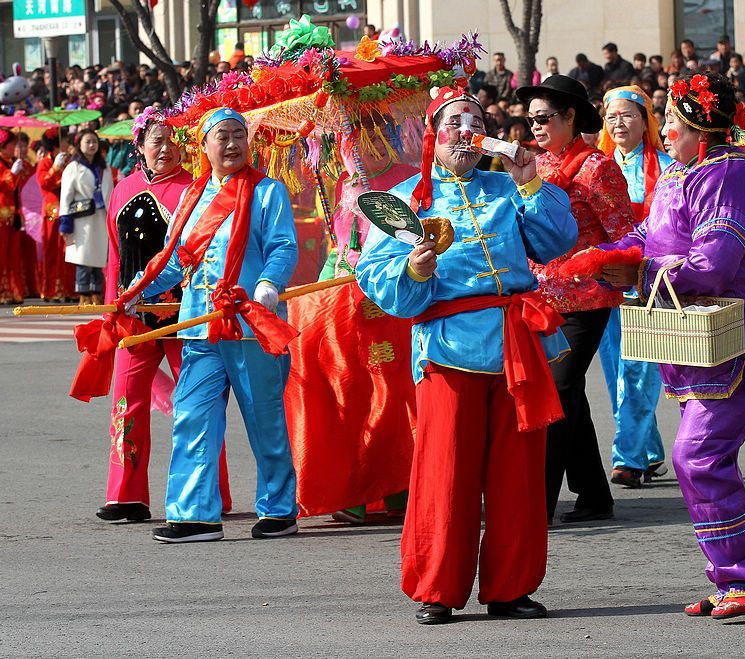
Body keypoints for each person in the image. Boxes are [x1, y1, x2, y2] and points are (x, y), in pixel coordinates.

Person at [356, 86, 577, 624]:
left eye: (475, 121)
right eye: (454, 121)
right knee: (444, 473)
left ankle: (510, 587)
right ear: (433, 133)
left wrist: (531, 182)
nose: (465, 130)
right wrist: (414, 271)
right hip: (448, 348)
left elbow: (555, 242)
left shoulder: (508, 187)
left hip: (517, 346)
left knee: (519, 474)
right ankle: (437, 587)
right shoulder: (409, 200)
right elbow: (372, 274)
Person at [595, 72, 745, 620]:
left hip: (738, 339)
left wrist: (639, 270)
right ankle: (736, 578)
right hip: (700, 340)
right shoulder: (682, 172)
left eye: (673, 125)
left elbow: (713, 265)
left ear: (702, 130)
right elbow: (653, 239)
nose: (665, 135)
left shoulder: (732, 177)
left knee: (697, 456)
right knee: (699, 458)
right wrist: (603, 256)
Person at [119, 107, 300, 543]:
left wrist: (268, 284)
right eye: (223, 136)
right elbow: (174, 259)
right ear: (203, 146)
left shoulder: (268, 191)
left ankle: (279, 508)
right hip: (199, 324)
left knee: (265, 418)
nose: (233, 143)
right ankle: (194, 514)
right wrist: (137, 290)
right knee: (192, 416)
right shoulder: (192, 196)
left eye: (240, 135)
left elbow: (282, 246)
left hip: (250, 321)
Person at [96, 109, 233, 523]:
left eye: (175, 140)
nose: (167, 148)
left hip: (183, 314)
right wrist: (112, 308)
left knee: (198, 405)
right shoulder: (122, 190)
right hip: (134, 316)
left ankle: (211, 493)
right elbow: (115, 259)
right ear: (139, 146)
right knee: (126, 403)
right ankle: (126, 496)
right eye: (157, 139)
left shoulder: (198, 189)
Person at [515, 74, 633, 522]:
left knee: (559, 389)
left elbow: (624, 232)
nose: (537, 127)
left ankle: (538, 501)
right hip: (541, 296)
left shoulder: (598, 167)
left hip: (587, 297)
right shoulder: (537, 165)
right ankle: (594, 494)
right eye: (532, 119)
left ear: (570, 117)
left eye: (545, 118)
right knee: (569, 394)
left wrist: (591, 261)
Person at [298, 112, 417, 524]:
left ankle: (401, 485)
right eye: (354, 137)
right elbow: (336, 249)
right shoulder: (342, 185)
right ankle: (352, 488)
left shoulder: (409, 178)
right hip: (344, 303)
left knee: (396, 393)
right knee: (347, 391)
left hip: (390, 297)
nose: (362, 145)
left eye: (375, 133)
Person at [596, 85, 674, 487]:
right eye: (612, 116)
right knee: (616, 372)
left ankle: (627, 456)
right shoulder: (596, 166)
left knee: (640, 370)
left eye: (627, 115)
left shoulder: (667, 168)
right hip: (606, 284)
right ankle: (648, 450)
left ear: (646, 122)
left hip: (648, 283)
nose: (619, 122)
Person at [59, 129, 113, 306]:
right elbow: (65, 197)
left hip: (100, 217)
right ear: (79, 145)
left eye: (94, 142)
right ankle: (83, 293)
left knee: (98, 257)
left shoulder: (104, 167)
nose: (91, 145)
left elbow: (110, 194)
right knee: (83, 258)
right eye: (88, 142)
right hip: (81, 218)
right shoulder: (73, 168)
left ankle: (96, 292)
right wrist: (65, 225)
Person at [35, 129, 76, 301]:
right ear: (56, 145)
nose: (67, 144)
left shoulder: (70, 161)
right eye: (65, 141)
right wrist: (55, 168)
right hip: (52, 213)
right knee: (52, 252)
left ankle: (69, 290)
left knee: (68, 252)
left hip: (68, 210)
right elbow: (43, 183)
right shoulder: (45, 163)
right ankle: (51, 290)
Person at [0, 129, 30, 304]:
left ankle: (12, 291)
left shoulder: (11, 161)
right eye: (12, 144)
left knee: (13, 255)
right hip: (2, 217)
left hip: (13, 216)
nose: (15, 147)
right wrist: (12, 173)